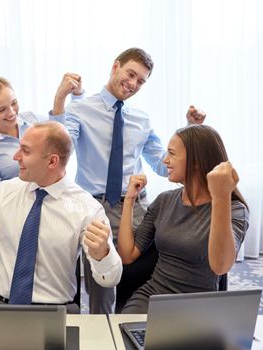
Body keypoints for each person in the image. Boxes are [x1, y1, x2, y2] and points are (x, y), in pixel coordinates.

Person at [51, 47, 206, 314]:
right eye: (130, 74)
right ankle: (103, 333)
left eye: (141, 81)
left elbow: (161, 164)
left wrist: (192, 129)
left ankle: (134, 331)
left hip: (134, 207)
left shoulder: (141, 119)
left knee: (143, 275)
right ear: (115, 67)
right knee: (101, 286)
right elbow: (59, 148)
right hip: (94, 207)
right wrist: (60, 98)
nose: (133, 84)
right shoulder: (81, 109)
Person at [0, 121, 122, 313]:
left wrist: (103, 254)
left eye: (25, 151)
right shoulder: (3, 192)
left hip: (54, 312)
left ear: (52, 161)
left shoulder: (87, 209)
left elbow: (110, 278)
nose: (16, 157)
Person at [117, 124, 248, 313]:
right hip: (152, 297)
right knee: (126, 336)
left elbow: (220, 266)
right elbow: (127, 255)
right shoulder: (165, 201)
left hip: (198, 306)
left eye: (171, 153)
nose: (165, 160)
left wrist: (221, 197)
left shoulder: (234, 209)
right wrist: (129, 199)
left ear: (196, 161)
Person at [0, 76, 82, 190]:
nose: (11, 113)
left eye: (14, 103)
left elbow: (63, 144)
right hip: (18, 205)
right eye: (2, 110)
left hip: (54, 197)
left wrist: (62, 98)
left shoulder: (33, 119)